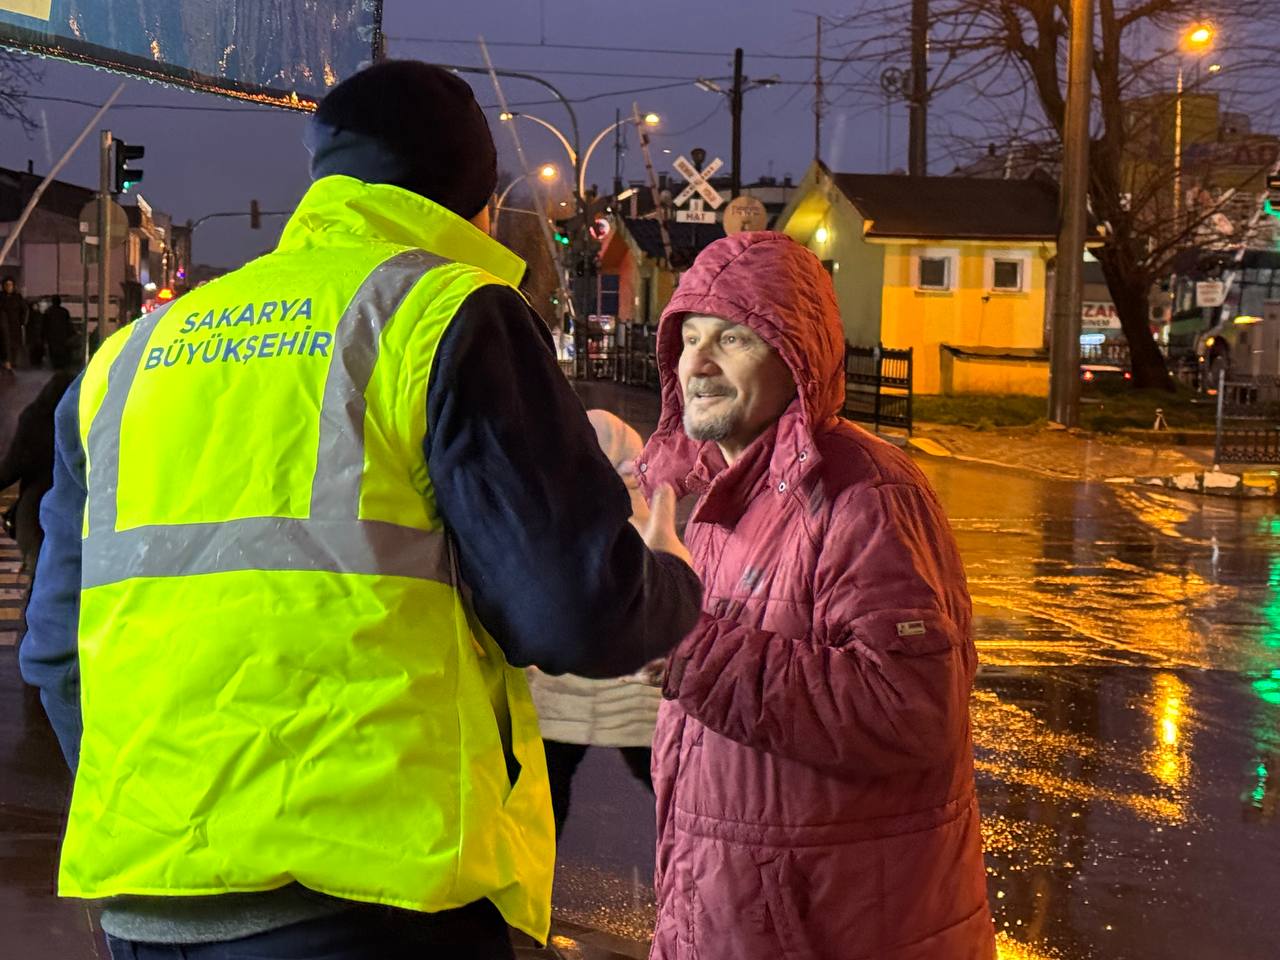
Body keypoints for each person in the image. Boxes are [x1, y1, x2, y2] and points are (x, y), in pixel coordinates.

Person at [19, 60, 701, 960]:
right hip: (366, 902)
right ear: (480, 207)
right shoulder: (446, 314)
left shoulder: (131, 358)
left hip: (149, 901)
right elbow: (574, 610)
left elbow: (58, 646)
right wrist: (671, 578)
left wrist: (170, 808)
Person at [636, 232, 995, 960]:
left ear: (797, 357)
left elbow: (910, 711)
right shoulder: (702, 496)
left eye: (731, 339)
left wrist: (681, 642)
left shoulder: (867, 497)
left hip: (836, 928)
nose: (696, 364)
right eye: (688, 338)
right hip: (724, 920)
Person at [527, 409, 662, 836]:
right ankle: (693, 875)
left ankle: (535, 883)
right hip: (633, 698)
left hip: (560, 693)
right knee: (667, 786)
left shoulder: (554, 525)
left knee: (547, 794)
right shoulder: (647, 528)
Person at [0, 369, 76, 576]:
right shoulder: (86, 419)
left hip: (36, 516)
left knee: (41, 581)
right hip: (78, 516)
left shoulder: (36, 419)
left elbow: (10, 468)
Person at [0, 275, 27, 370]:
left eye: (10, 285)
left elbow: (24, 310)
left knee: (15, 344)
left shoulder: (18, 297)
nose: (8, 287)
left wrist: (23, 322)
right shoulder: (1, 297)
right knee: (4, 343)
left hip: (15, 324)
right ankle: (6, 361)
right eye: (6, 285)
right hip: (3, 325)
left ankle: (13, 361)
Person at [43, 295, 75, 370]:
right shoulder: (64, 312)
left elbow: (44, 326)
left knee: (54, 354)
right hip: (62, 337)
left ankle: (56, 367)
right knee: (62, 353)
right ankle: (61, 367)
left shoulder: (48, 312)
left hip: (52, 337)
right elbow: (68, 324)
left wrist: (44, 337)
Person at [25, 297, 46, 368]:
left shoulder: (38, 315)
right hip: (34, 335)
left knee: (37, 349)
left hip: (37, 335)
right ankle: (35, 363)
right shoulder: (31, 315)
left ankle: (37, 362)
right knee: (34, 349)